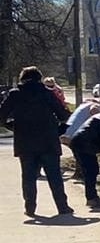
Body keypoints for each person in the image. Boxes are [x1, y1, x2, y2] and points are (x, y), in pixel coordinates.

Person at [1, 66, 73, 219]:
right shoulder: (47, 93)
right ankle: (62, 207)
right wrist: (55, 127)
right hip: (48, 141)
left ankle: (30, 208)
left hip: (25, 142)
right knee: (54, 176)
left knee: (28, 176)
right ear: (39, 78)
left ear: (22, 79)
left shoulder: (15, 94)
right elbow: (63, 115)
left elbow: (1, 117)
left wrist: (14, 126)